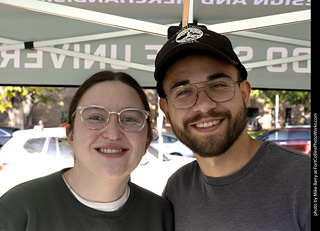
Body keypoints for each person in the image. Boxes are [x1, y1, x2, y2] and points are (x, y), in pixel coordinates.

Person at [154, 25, 311, 231]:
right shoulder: (177, 188)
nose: (203, 105)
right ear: (165, 109)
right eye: (183, 92)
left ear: (245, 94)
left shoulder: (305, 184)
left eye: (218, 85)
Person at [0, 70, 174, 230]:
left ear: (146, 142)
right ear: (71, 135)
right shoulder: (19, 210)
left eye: (129, 118)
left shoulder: (160, 215)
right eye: (96, 117)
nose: (113, 133)